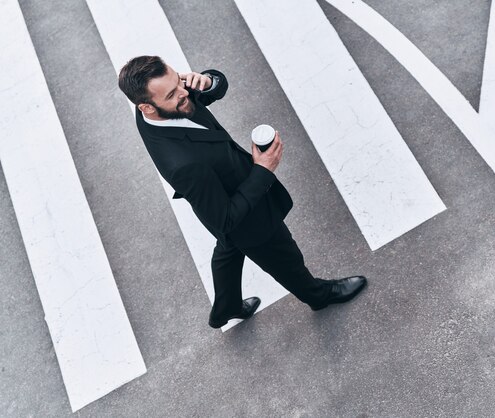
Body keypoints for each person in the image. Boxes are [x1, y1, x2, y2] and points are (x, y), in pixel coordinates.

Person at [117, 56, 367, 328]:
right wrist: (264, 169)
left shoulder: (158, 107)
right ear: (147, 106)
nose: (185, 92)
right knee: (285, 257)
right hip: (245, 215)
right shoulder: (184, 165)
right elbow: (224, 220)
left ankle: (227, 307)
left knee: (228, 247)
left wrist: (210, 81)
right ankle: (318, 296)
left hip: (220, 187)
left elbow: (215, 89)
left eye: (179, 80)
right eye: (173, 93)